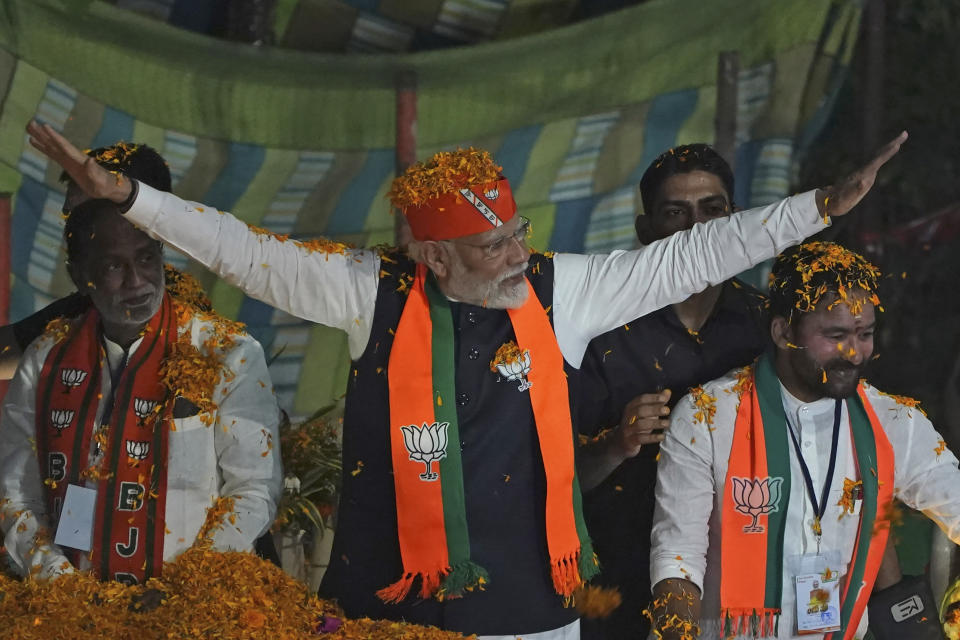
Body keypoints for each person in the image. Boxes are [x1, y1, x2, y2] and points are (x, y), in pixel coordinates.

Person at [27, 120, 904, 640]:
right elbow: (247, 253)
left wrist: (817, 208)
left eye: (520, 231)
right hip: (387, 607)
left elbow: (697, 254)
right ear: (434, 257)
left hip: (533, 606)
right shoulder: (367, 290)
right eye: (495, 246)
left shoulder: (564, 289)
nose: (519, 253)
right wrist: (133, 199)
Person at [0, 142, 283, 588]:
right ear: (80, 271)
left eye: (88, 199)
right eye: (112, 265)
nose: (135, 281)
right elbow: (16, 493)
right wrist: (61, 587)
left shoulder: (221, 349)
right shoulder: (51, 348)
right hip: (74, 603)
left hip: (194, 598)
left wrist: (183, 589)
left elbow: (251, 490)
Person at [648, 241, 960, 639]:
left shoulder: (895, 421)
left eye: (865, 334)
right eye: (835, 335)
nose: (854, 353)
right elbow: (677, 560)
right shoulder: (707, 415)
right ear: (783, 332)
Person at [576, 144, 768, 639]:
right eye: (675, 213)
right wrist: (616, 444)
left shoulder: (769, 326)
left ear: (736, 220)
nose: (697, 228)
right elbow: (553, 479)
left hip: (742, 581)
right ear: (645, 233)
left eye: (713, 209)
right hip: (615, 583)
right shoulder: (601, 330)